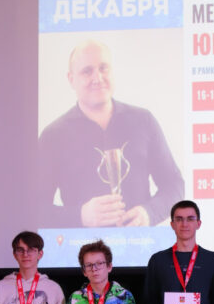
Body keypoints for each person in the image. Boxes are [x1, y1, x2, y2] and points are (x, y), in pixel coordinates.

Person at [37, 39, 184, 227]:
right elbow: (35, 209)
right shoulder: (53, 136)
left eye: (103, 68)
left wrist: (149, 213)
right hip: (82, 245)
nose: (97, 78)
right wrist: (80, 216)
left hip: (139, 243)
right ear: (71, 79)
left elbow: (175, 185)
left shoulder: (143, 121)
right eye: (87, 71)